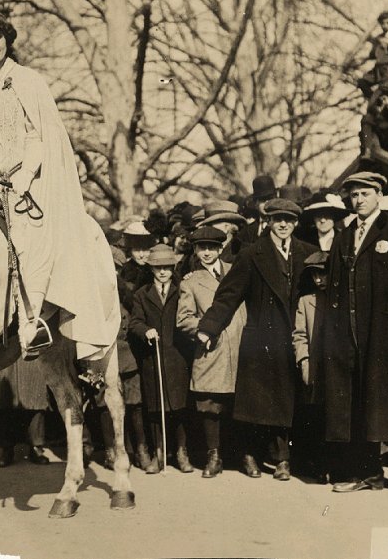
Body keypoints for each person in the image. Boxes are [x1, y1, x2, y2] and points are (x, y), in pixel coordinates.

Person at [0, 1, 118, 359]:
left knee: (26, 238)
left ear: (8, 40)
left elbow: (39, 133)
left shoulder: (28, 81)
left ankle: (30, 321)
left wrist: (25, 175)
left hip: (24, 184)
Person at [319, 172, 388, 497]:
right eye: (354, 195)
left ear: (379, 195)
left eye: (365, 194)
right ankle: (368, 473)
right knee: (359, 403)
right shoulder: (344, 237)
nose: (359, 201)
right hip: (353, 335)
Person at [197, 198, 316, 481]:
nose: (283, 224)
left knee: (287, 399)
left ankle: (282, 459)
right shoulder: (252, 254)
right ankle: (249, 454)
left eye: (289, 219)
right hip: (261, 336)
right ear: (269, 221)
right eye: (278, 219)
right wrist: (209, 327)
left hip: (294, 336)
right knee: (255, 402)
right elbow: (229, 294)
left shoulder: (308, 253)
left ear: (295, 223)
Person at [176, 227, 245, 478]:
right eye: (201, 248)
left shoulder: (236, 271)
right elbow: (183, 319)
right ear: (195, 250)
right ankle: (214, 456)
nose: (207, 252)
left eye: (212, 247)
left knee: (239, 402)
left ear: (220, 248)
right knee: (210, 404)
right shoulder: (191, 281)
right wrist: (205, 330)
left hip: (240, 346)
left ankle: (243, 455)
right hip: (211, 348)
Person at [128, 244, 193, 474]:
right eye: (158, 267)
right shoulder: (141, 294)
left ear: (173, 268)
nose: (163, 271)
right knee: (156, 408)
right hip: (153, 358)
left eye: (167, 267)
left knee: (179, 406)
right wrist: (145, 330)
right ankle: (159, 453)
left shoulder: (182, 290)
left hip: (177, 357)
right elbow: (134, 322)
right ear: (151, 269)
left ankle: (182, 452)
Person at [291, 251, 330, 482]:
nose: (318, 280)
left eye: (322, 274)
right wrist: (304, 361)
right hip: (314, 366)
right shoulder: (306, 301)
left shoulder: (342, 300)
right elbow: (299, 335)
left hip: (336, 366)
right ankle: (318, 465)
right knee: (315, 417)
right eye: (314, 275)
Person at [195, 200, 247, 264]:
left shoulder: (242, 251)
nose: (206, 229)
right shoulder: (200, 252)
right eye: (206, 225)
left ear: (226, 227)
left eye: (210, 225)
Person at [236, 175, 278, 246]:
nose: (267, 203)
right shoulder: (247, 231)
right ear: (256, 203)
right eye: (263, 199)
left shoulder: (284, 227)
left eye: (270, 199)